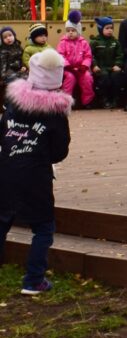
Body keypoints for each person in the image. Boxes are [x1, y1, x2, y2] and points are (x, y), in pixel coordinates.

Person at [0, 49, 71, 295]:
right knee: (43, 226)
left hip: (7, 169)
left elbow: (3, 133)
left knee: (2, 219)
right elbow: (60, 150)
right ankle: (34, 279)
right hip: (36, 176)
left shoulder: (12, 103)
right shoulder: (56, 113)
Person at [56, 10, 95, 109]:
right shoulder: (63, 42)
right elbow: (60, 55)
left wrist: (84, 66)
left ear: (78, 31)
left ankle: (88, 101)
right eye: (68, 30)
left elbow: (88, 56)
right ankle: (65, 102)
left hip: (81, 68)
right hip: (68, 69)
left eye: (73, 31)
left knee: (87, 78)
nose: (70, 33)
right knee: (70, 79)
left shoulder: (83, 43)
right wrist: (67, 65)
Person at [90, 17, 125, 109]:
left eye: (111, 28)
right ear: (101, 29)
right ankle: (104, 99)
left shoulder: (115, 42)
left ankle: (115, 99)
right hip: (101, 68)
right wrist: (94, 65)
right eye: (107, 28)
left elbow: (120, 55)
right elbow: (91, 55)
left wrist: (118, 64)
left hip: (113, 67)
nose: (110, 30)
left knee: (116, 77)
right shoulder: (95, 42)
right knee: (104, 79)